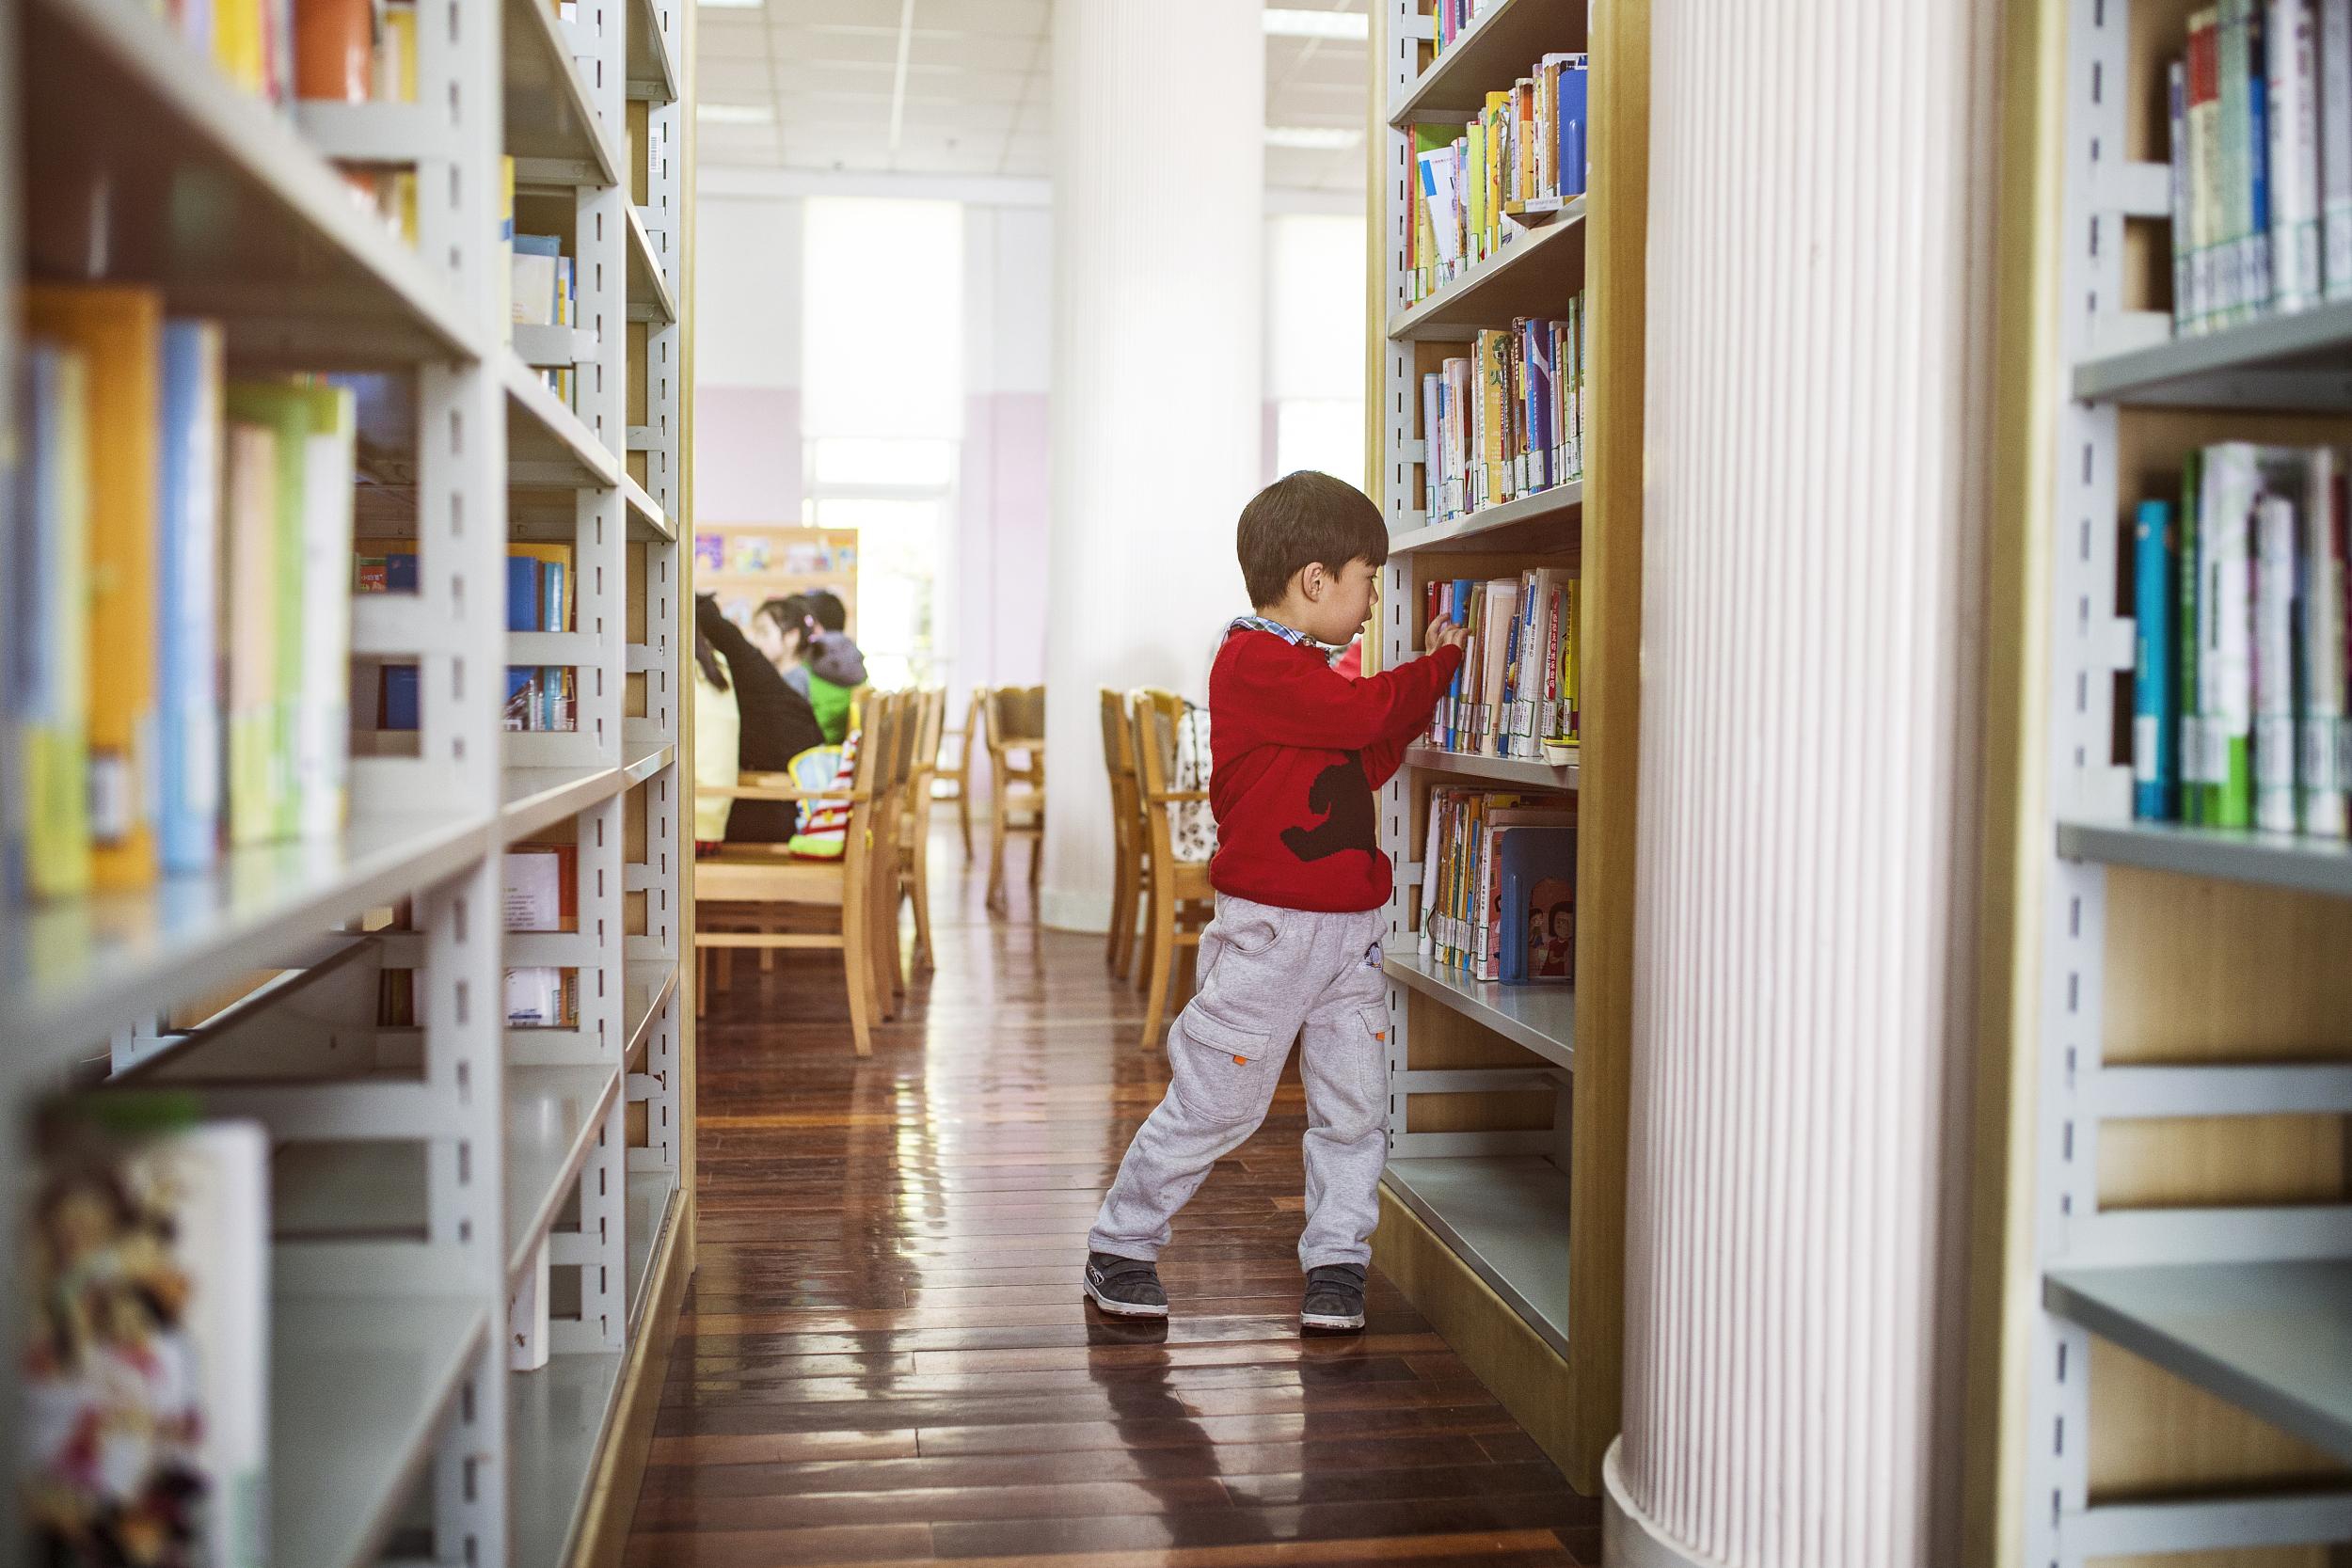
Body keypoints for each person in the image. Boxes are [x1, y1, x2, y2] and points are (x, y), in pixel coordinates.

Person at [1081, 470, 1472, 1333]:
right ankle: (1122, 1241)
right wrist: (1441, 665)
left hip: (1351, 940)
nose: (1373, 599)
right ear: (1315, 581)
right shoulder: (1256, 660)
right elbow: (1366, 714)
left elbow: (1360, 759)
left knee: (1354, 1106)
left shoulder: (1312, 679)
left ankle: (1337, 1260)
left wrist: (1403, 711)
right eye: (1369, 577)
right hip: (1271, 936)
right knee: (1217, 1101)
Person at [695, 594, 825, 842]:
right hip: (796, 799)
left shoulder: (725, 664)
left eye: (764, 632)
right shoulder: (744, 665)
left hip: (789, 806)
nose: (755, 640)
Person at [754, 591, 866, 743]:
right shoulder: (833, 664)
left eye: (764, 633)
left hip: (811, 754)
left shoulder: (801, 675)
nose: (756, 641)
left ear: (794, 635)